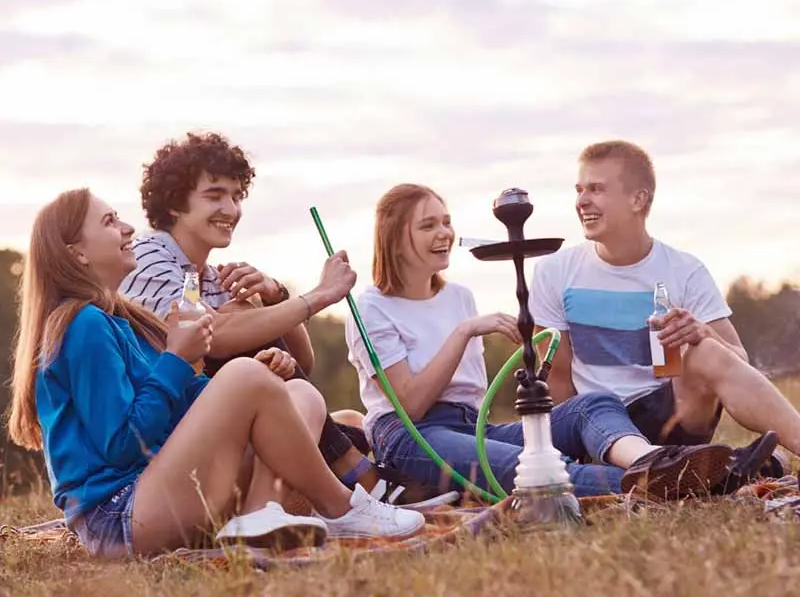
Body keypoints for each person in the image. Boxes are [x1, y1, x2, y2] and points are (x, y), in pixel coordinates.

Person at [6, 188, 425, 558]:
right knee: (244, 375)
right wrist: (176, 361)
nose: (129, 227)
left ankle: (260, 515)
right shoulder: (83, 325)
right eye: (110, 221)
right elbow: (121, 445)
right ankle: (343, 506)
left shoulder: (119, 320)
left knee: (300, 393)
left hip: (160, 491)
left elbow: (177, 416)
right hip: (119, 516)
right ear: (76, 252)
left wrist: (249, 385)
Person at [344, 183, 757, 502]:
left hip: (472, 425)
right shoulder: (371, 309)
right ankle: (703, 480)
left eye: (446, 221)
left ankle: (651, 461)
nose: (445, 233)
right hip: (409, 435)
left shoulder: (458, 296)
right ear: (396, 237)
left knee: (593, 405)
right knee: (540, 468)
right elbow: (410, 405)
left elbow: (469, 395)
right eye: (428, 225)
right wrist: (463, 332)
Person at [120, 131, 452, 509]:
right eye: (215, 195)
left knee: (351, 421)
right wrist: (319, 296)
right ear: (174, 203)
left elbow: (302, 362)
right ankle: (360, 476)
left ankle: (353, 473)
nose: (231, 209)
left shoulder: (212, 276)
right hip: (163, 445)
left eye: (236, 196)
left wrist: (275, 294)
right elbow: (218, 338)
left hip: (213, 425)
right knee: (246, 329)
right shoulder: (148, 257)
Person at [528, 139, 795, 480]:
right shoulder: (555, 272)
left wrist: (703, 332)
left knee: (706, 351)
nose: (582, 201)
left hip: (673, 414)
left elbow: (737, 365)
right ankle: (710, 468)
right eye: (579, 190)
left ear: (638, 199)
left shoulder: (685, 269)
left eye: (596, 189)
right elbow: (558, 380)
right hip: (600, 424)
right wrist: (566, 458)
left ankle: (734, 456)